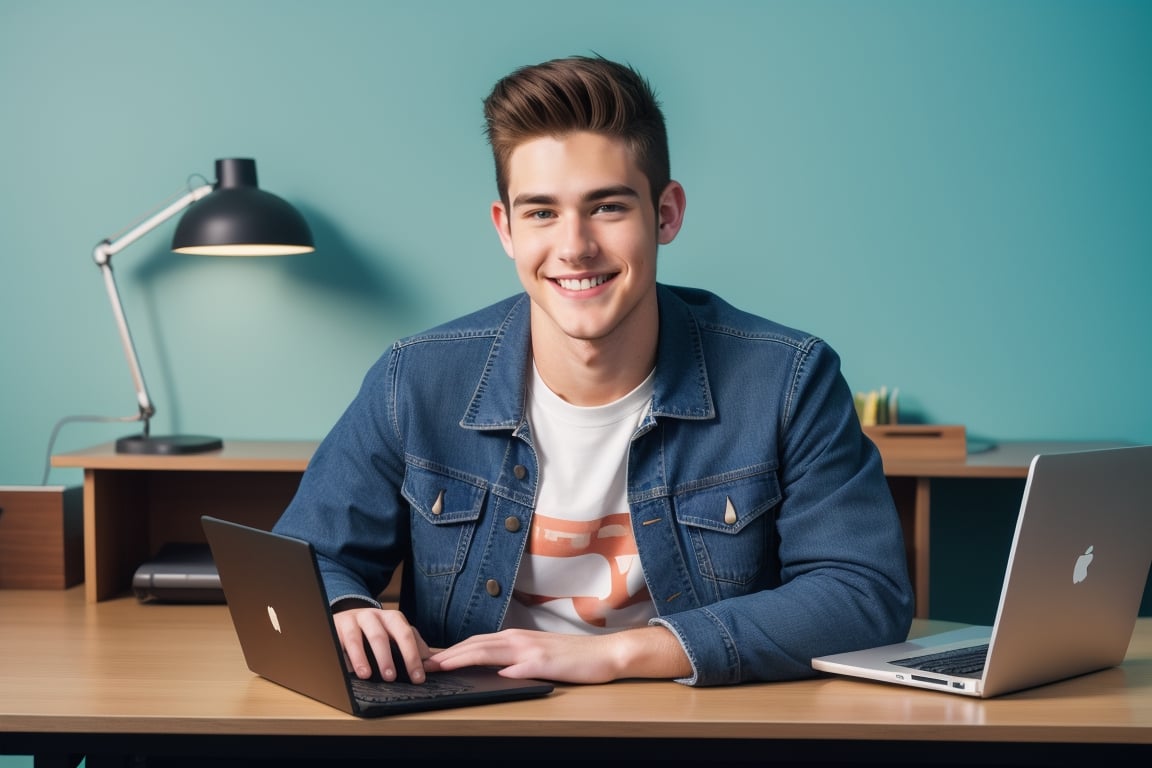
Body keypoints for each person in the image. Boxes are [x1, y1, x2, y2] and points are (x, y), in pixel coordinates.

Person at [272, 54, 914, 687]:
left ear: (666, 214)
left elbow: (862, 593)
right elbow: (299, 563)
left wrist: (620, 654)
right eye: (541, 212)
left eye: (607, 207)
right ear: (507, 228)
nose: (574, 246)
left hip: (695, 731)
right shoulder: (415, 379)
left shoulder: (787, 381)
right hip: (472, 732)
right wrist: (346, 607)